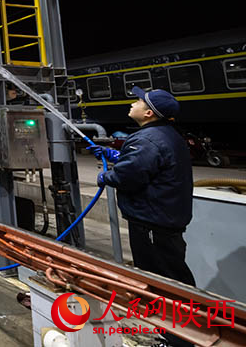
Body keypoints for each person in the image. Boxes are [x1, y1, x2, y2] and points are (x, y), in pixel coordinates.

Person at [89, 87, 195, 347]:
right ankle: (181, 334)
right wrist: (117, 156)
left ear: (148, 113)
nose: (132, 103)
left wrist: (106, 176)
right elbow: (146, 163)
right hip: (165, 219)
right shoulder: (163, 135)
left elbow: (129, 177)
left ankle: (178, 340)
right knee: (173, 277)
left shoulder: (146, 140)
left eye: (138, 101)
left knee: (162, 283)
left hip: (151, 223)